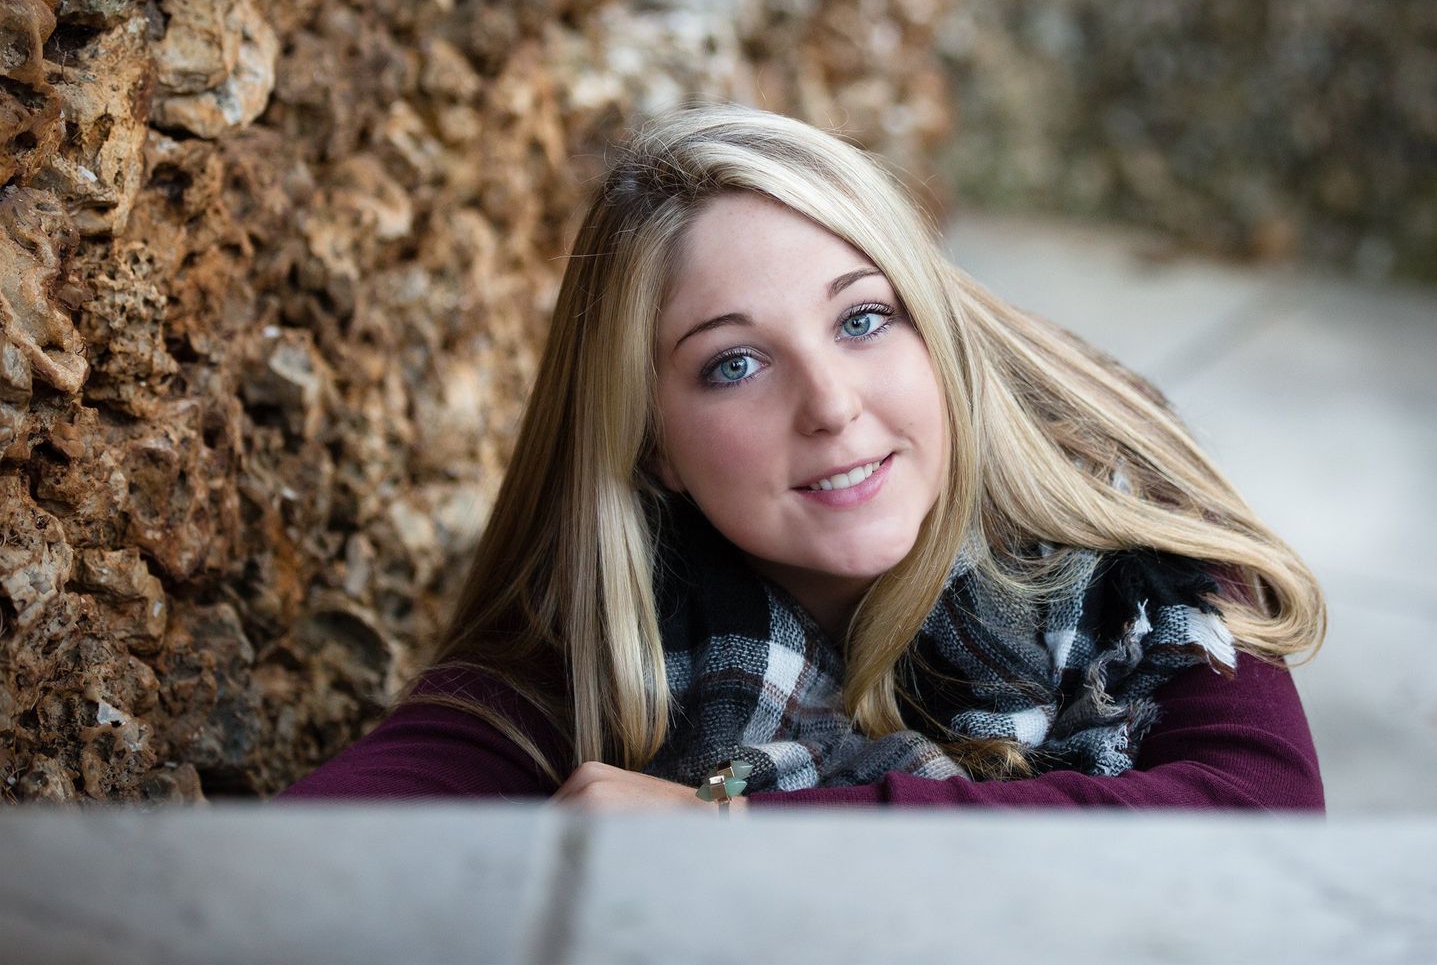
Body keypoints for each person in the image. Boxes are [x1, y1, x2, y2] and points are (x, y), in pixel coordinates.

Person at [278, 103, 1327, 812]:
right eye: (733, 362)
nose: (830, 404)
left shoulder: (1116, 510)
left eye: (864, 319)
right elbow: (315, 853)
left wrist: (745, 836)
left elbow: (1254, 819)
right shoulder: (620, 612)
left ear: (938, 337)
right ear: (653, 449)